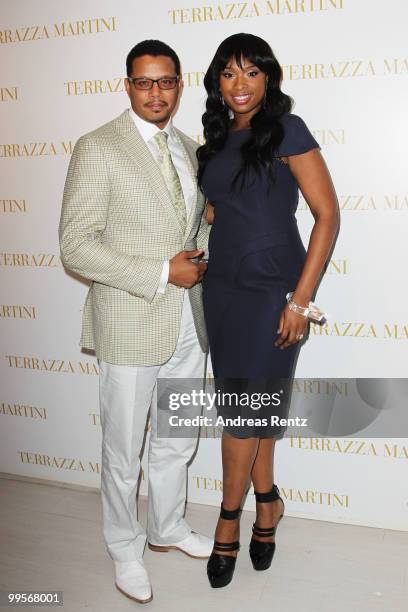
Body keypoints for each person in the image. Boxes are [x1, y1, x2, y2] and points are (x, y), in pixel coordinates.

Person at [59, 40, 212, 604]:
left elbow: (191, 234)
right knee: (124, 451)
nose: (156, 92)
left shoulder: (193, 150)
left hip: (190, 326)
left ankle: (167, 526)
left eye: (166, 81)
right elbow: (75, 247)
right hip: (129, 322)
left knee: (176, 438)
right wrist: (159, 271)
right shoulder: (98, 147)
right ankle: (125, 547)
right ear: (127, 85)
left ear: (178, 84)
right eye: (144, 82)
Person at [197, 33, 339, 588]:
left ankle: (227, 521)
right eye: (228, 74)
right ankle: (267, 502)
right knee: (249, 408)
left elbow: (327, 216)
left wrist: (301, 301)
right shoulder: (212, 143)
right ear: (217, 82)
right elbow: (216, 210)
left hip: (274, 291)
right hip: (223, 290)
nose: (239, 85)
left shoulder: (288, 131)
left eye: (251, 73)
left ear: (268, 78)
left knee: (242, 415)